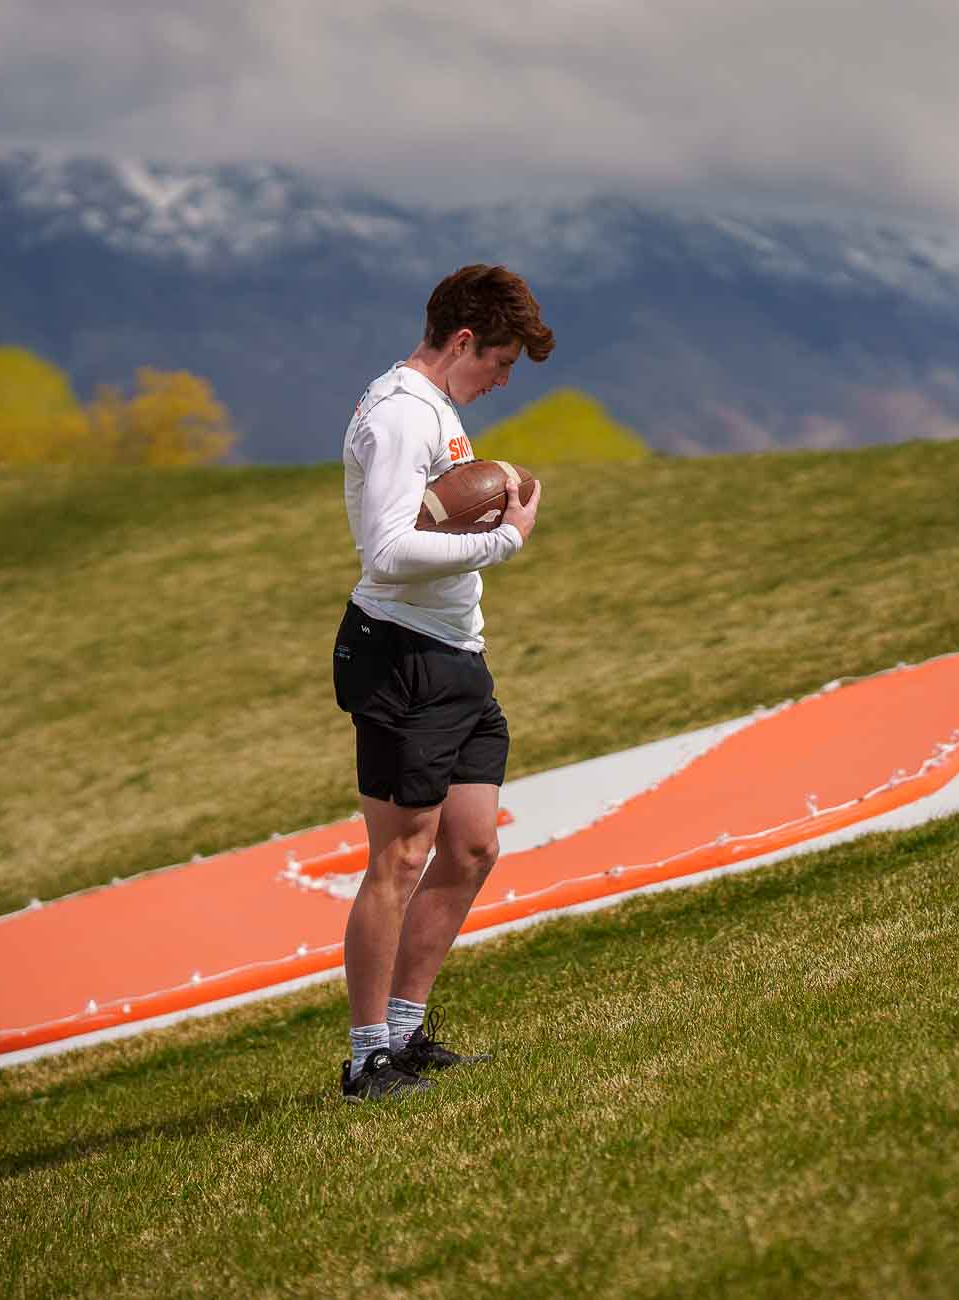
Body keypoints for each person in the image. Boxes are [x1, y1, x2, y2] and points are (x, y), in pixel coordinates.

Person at [331, 265, 554, 1101]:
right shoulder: (398, 415)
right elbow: (385, 552)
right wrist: (504, 542)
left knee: (470, 845)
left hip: (456, 652)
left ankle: (403, 1031)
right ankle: (365, 1062)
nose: (501, 382)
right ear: (463, 341)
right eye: (499, 364)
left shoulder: (435, 410)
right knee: (401, 856)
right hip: (399, 651)